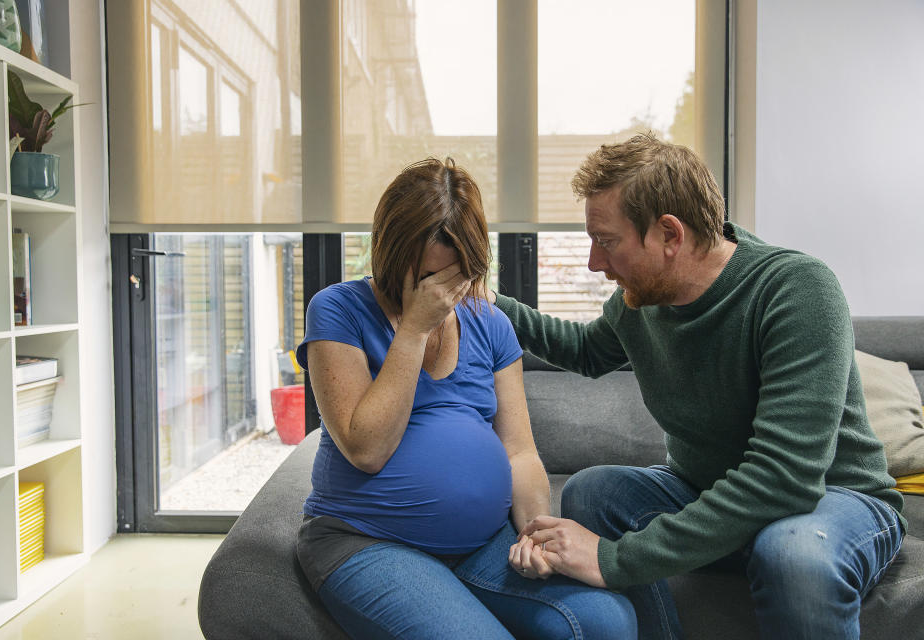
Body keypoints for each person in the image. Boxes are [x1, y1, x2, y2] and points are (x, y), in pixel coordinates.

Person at [494, 134, 906, 640]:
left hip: (830, 498)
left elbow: (785, 477)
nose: (594, 265)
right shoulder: (640, 301)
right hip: (704, 486)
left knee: (794, 553)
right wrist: (489, 303)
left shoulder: (795, 289)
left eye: (606, 241)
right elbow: (585, 350)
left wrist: (615, 559)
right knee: (591, 493)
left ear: (669, 234)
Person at [295, 157, 636, 640]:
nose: (441, 293)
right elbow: (365, 450)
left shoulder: (490, 323)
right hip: (369, 541)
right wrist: (413, 330)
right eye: (426, 278)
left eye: (453, 277)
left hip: (483, 545)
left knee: (609, 621)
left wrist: (536, 532)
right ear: (391, 253)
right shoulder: (338, 310)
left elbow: (519, 450)